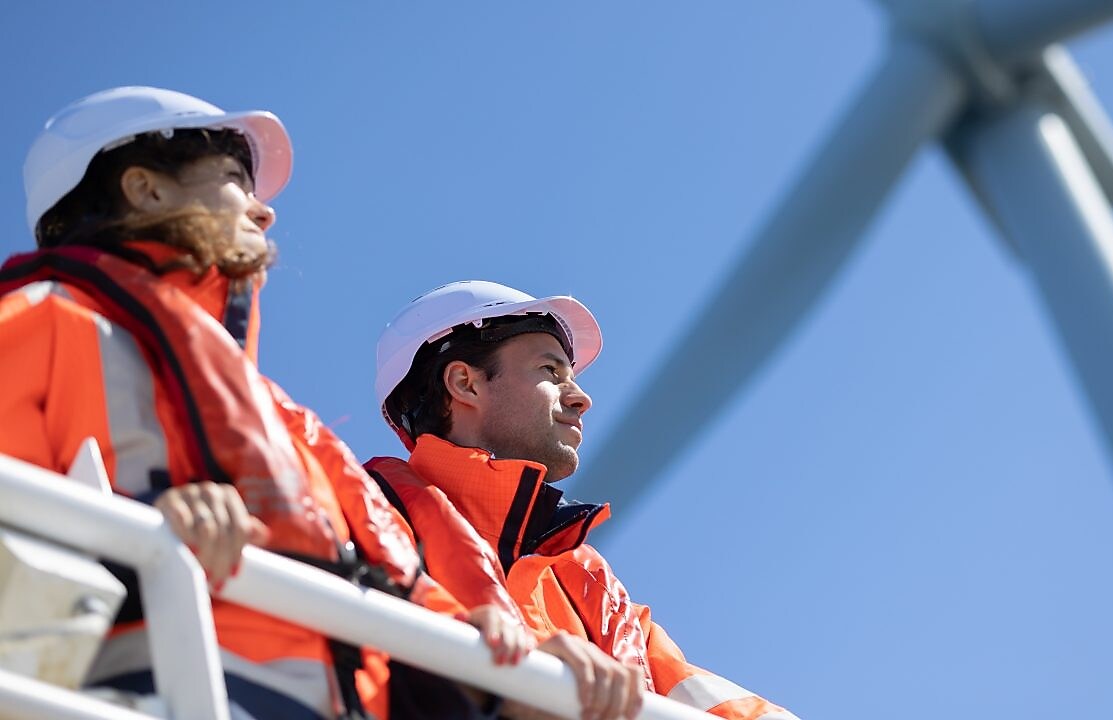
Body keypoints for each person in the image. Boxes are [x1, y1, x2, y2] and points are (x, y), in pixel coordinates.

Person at [0, 87, 619, 720]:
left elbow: (402, 587)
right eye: (237, 180)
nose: (264, 213)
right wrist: (140, 529)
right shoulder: (39, 325)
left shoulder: (283, 420)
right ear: (146, 189)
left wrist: (508, 681)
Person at [368, 281, 799, 720]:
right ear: (466, 384)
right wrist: (520, 674)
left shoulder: (585, 578)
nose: (581, 398)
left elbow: (703, 702)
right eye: (550, 372)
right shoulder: (370, 514)